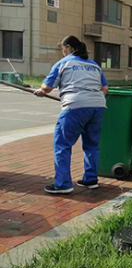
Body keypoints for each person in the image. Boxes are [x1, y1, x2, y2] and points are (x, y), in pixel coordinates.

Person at [34, 36, 109, 195]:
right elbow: (105, 88)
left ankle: (63, 184)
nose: (62, 53)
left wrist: (41, 92)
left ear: (68, 48)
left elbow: (47, 87)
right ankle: (90, 179)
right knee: (91, 144)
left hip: (75, 106)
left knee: (62, 144)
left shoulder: (64, 62)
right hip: (98, 106)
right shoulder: (94, 65)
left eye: (63, 49)